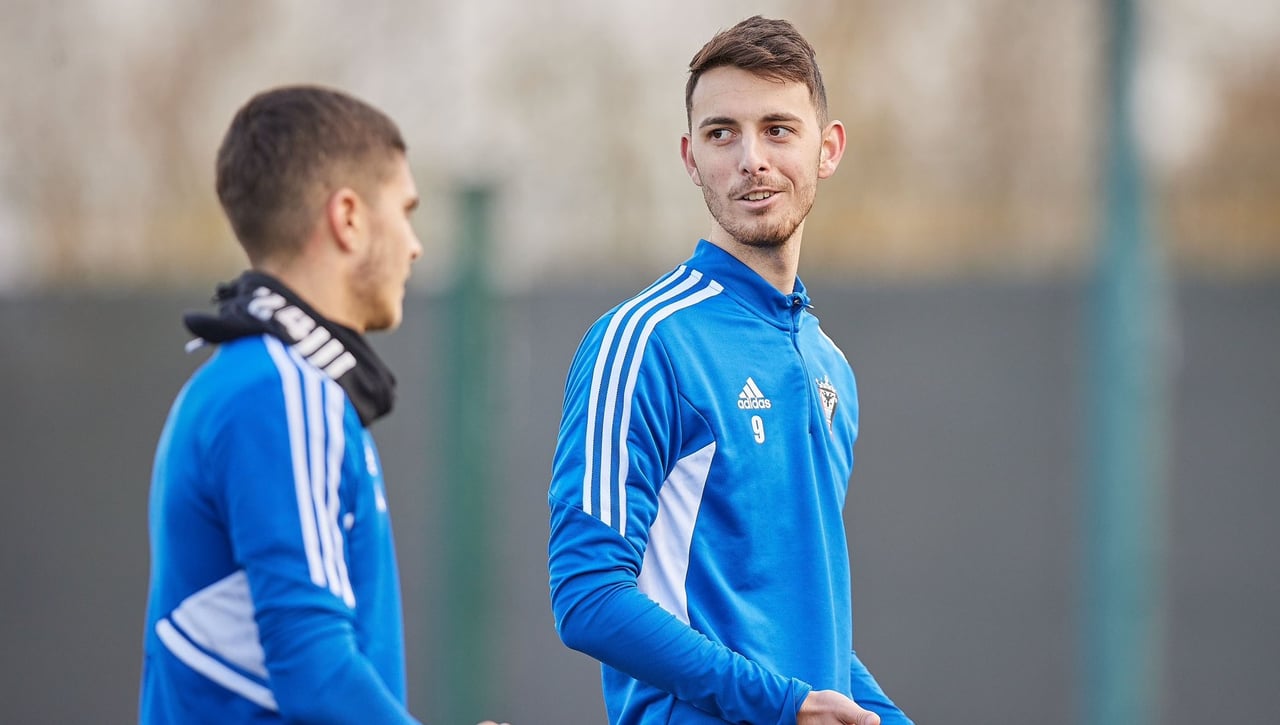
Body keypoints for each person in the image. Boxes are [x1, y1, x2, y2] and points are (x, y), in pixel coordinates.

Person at [547, 16, 913, 725]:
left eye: (778, 130)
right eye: (722, 133)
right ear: (691, 158)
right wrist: (780, 704)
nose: (752, 159)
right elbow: (587, 595)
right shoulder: (643, 341)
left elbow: (800, 637)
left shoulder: (829, 366)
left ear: (827, 149)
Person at [139, 85, 505, 725]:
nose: (415, 245)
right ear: (349, 218)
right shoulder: (283, 393)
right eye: (405, 210)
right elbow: (315, 672)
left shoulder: (245, 381)